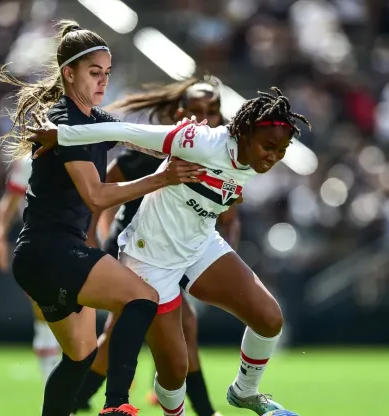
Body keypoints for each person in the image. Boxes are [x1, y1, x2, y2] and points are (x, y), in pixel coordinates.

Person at [29, 87, 310, 415]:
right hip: (150, 259)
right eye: (268, 147)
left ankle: (244, 392)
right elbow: (126, 131)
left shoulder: (252, 162)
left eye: (281, 150)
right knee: (175, 371)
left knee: (269, 318)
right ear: (245, 133)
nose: (273, 156)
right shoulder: (198, 141)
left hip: (200, 245)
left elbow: (222, 195)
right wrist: (63, 134)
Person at [0, 20, 204, 416]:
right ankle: (116, 404)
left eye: (107, 74)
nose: (102, 81)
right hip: (53, 251)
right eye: (94, 72)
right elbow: (97, 195)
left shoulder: (94, 121)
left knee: (79, 358)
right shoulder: (63, 122)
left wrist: (189, 140)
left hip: (40, 257)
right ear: (69, 73)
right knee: (143, 297)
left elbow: (143, 141)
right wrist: (164, 177)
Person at [74, 77, 238, 416]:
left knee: (132, 333)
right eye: (196, 111)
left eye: (213, 112)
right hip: (138, 249)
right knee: (169, 328)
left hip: (176, 255)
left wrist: (223, 259)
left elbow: (230, 218)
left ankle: (80, 397)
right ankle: (203, 410)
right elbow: (101, 191)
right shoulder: (157, 150)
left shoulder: (222, 158)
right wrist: (96, 238)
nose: (205, 119)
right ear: (180, 114)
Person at [0, 156, 61, 382]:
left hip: (76, 241)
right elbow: (11, 199)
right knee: (45, 314)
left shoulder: (86, 149)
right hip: (40, 245)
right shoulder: (30, 161)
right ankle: (52, 387)